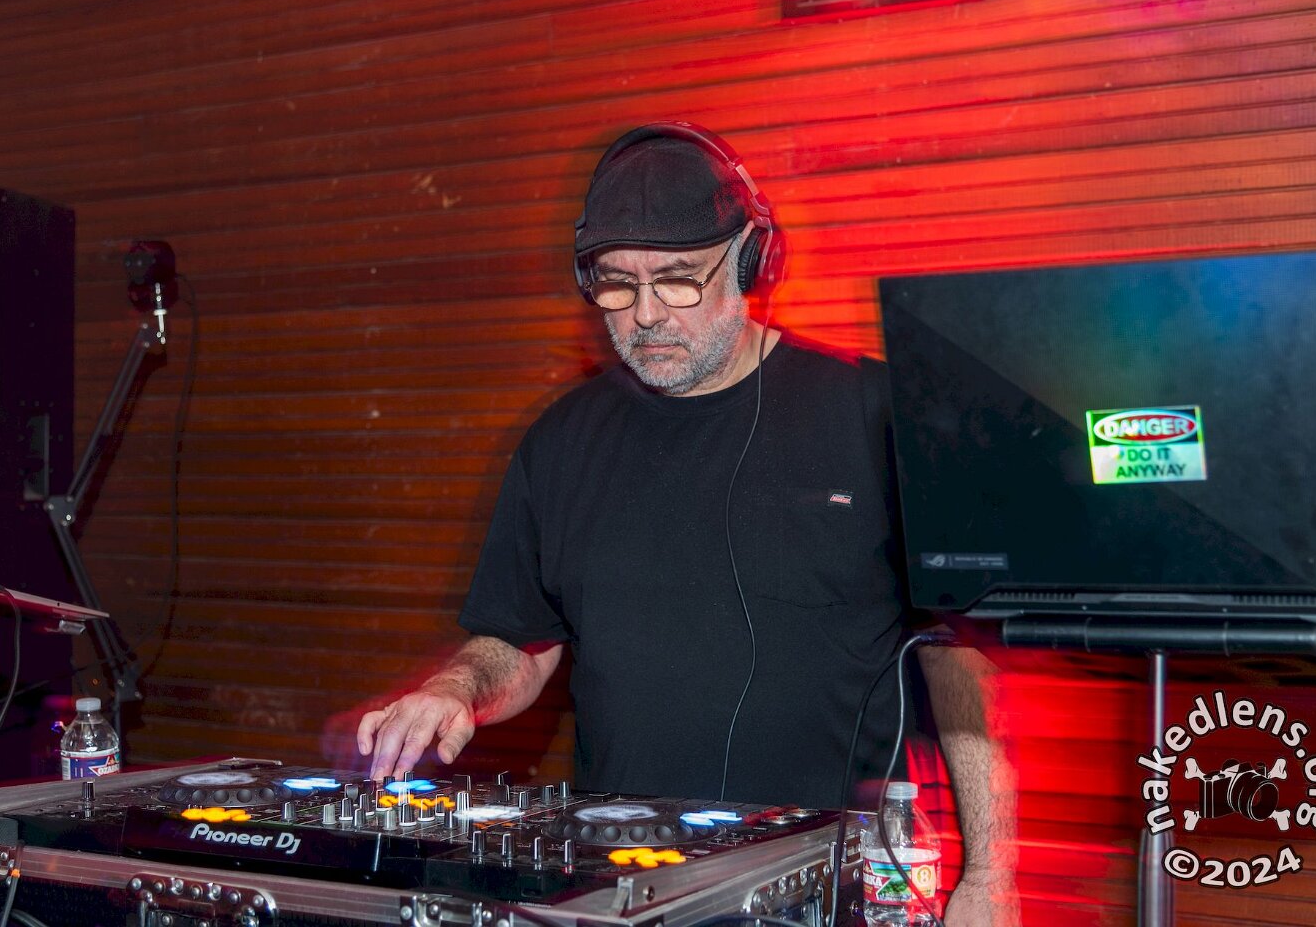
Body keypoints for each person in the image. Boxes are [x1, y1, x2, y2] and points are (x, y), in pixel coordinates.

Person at [358, 122, 1019, 924]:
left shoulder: (876, 418)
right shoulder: (560, 443)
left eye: (677, 281)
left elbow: (960, 664)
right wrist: (456, 689)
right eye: (616, 284)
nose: (645, 315)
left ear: (748, 260)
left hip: (831, 889)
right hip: (619, 891)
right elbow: (520, 642)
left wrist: (990, 876)